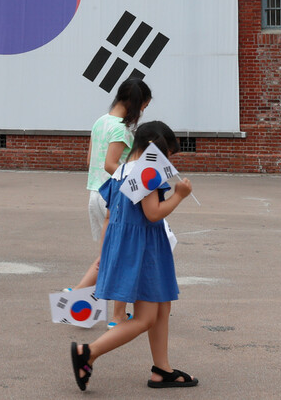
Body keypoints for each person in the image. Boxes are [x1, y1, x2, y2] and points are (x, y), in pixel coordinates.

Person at [70, 121, 198, 391]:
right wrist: (180, 195)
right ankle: (88, 352)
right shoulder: (146, 171)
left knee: (162, 305)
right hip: (144, 250)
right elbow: (153, 213)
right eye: (168, 154)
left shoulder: (122, 170)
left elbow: (109, 215)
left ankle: (162, 370)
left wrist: (107, 250)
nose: (169, 163)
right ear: (157, 148)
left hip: (133, 246)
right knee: (144, 318)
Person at [68, 78, 152, 327]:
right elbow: (111, 164)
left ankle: (82, 302)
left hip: (96, 193)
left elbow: (90, 160)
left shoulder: (100, 122)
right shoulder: (122, 129)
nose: (144, 112)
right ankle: (89, 304)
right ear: (136, 104)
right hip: (114, 198)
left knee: (111, 256)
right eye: (144, 106)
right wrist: (140, 180)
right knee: (121, 257)